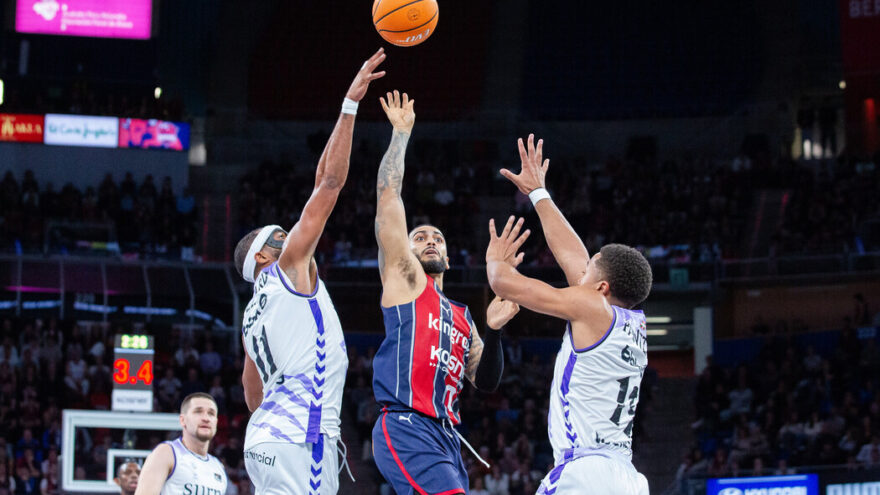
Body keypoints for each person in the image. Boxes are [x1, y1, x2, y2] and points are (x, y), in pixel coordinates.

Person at [233, 49, 387, 494]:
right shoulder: (287, 267)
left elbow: (252, 396)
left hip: (264, 439)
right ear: (264, 257)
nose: (291, 237)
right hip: (300, 436)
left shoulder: (250, 317)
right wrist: (350, 105)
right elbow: (330, 184)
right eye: (279, 236)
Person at [486, 135, 653, 494]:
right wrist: (539, 193)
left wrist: (496, 261)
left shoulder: (591, 306)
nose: (583, 268)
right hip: (625, 475)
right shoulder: (629, 322)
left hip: (587, 470)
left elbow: (504, 283)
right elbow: (574, 257)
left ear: (602, 287)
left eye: (591, 267)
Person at [370, 90, 518, 494]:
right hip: (406, 425)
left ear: (449, 259)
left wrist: (494, 331)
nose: (430, 241)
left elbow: (486, 382)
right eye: (420, 237)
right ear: (406, 251)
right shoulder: (405, 280)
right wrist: (401, 135)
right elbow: (388, 197)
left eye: (437, 238)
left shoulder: (462, 315)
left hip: (447, 436)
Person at [135, 393, 227, 495]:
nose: (206, 418)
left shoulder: (218, 467)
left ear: (216, 422)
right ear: (183, 420)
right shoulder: (166, 452)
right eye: (198, 412)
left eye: (211, 413)